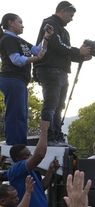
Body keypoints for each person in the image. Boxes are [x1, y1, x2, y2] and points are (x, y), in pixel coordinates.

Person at [34, 1, 92, 145]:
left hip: (61, 71)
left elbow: (66, 52)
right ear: (63, 10)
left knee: (59, 105)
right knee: (51, 104)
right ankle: (49, 137)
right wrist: (78, 51)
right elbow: (56, 45)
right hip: (49, 69)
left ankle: (56, 135)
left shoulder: (64, 31)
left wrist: (82, 56)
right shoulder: (49, 23)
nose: (72, 18)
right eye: (71, 15)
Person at [6, 126, 63, 207]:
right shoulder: (15, 170)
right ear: (18, 159)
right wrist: (44, 130)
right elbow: (39, 154)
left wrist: (50, 171)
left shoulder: (32, 172)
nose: (30, 156)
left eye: (30, 153)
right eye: (26, 155)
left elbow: (41, 188)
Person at [0, 13, 52, 145]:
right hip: (11, 78)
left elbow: (37, 50)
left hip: (20, 81)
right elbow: (16, 60)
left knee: (22, 114)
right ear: (11, 23)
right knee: (16, 113)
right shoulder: (7, 39)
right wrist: (35, 59)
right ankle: (14, 145)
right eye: (20, 22)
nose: (23, 25)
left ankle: (20, 145)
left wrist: (46, 37)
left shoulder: (20, 41)